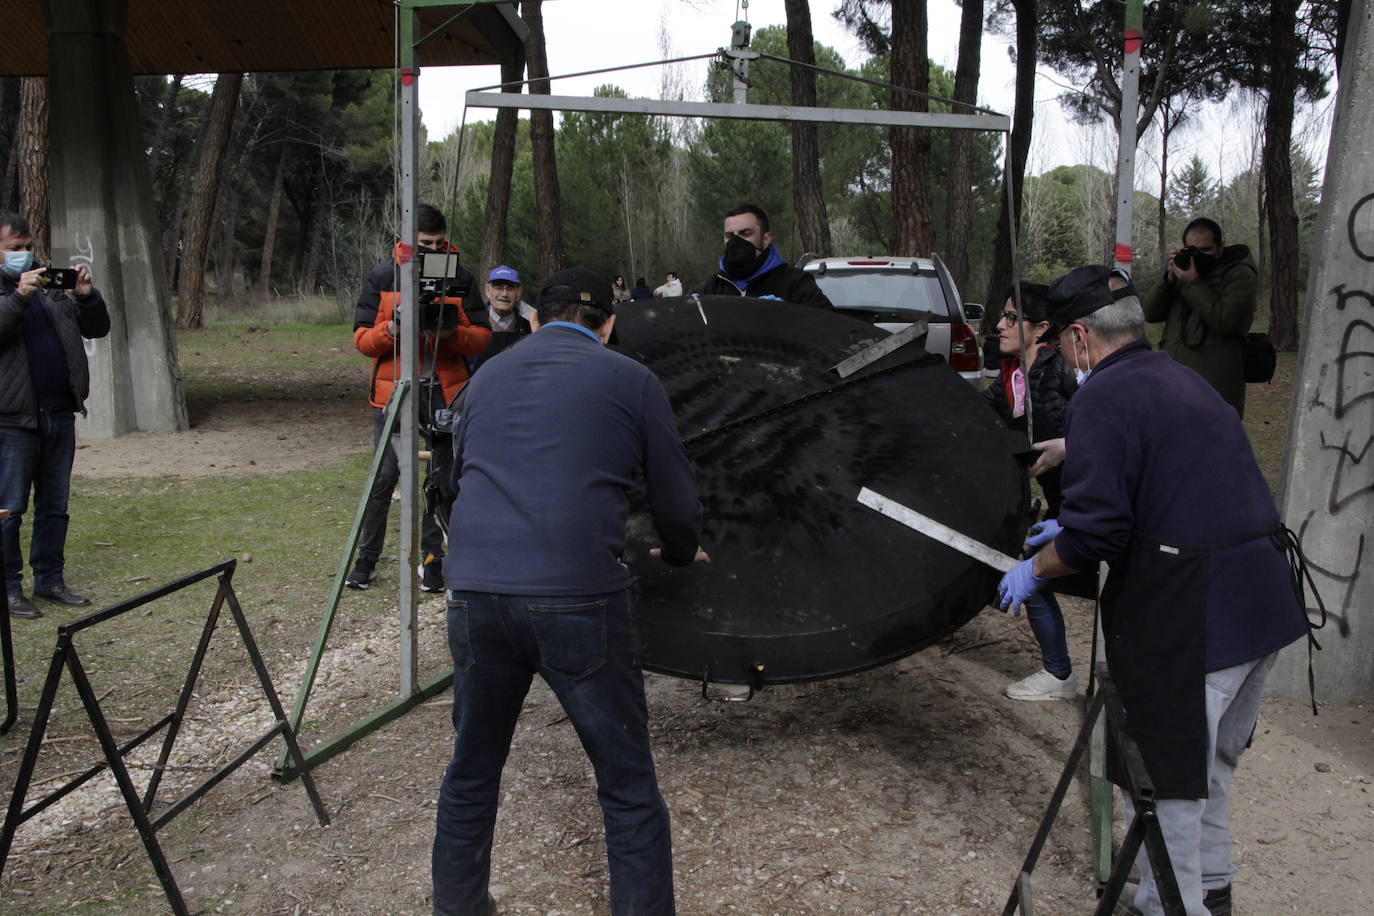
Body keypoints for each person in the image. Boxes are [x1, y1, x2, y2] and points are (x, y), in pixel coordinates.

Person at [996, 265, 1309, 916]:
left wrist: (1039, 565)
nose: (1061, 358)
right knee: (1210, 769)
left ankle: (1174, 905)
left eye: (1059, 346)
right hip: (1263, 604)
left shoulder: (1104, 396)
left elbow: (1094, 539)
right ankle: (1209, 888)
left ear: (1081, 337)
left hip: (1199, 617)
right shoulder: (1178, 377)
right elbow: (1176, 482)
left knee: (1171, 785)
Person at [432, 266, 706, 916]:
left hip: (474, 594)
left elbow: (452, 480)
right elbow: (676, 500)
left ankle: (457, 908)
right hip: (576, 598)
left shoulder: (486, 377)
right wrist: (674, 549)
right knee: (628, 787)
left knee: (470, 774)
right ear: (608, 325)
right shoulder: (632, 379)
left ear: (533, 318)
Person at [349, 204, 491, 593]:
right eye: (424, 245)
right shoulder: (382, 275)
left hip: (446, 393)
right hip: (393, 393)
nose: (432, 251)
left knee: (442, 480)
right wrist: (393, 328)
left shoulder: (460, 277)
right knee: (384, 478)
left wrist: (451, 334)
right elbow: (362, 339)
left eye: (439, 244)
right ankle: (365, 559)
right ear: (407, 242)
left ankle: (433, 562)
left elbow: (481, 334)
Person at [0, 212, 110, 619]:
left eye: (27, 247)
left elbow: (96, 329)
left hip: (59, 413)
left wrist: (86, 296)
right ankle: (10, 589)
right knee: (9, 508)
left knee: (55, 505)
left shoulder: (49, 285)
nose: (23, 255)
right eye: (13, 249)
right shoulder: (15, 291)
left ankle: (49, 580)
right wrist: (19, 296)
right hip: (12, 420)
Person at [981, 282, 1078, 701]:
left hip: (1093, 499)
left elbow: (1110, 428)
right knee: (1033, 572)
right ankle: (1059, 674)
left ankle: (1062, 676)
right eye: (1002, 315)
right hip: (1064, 500)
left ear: (1040, 330)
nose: (1000, 325)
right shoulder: (1015, 374)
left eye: (1012, 318)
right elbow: (985, 413)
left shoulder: (1063, 371)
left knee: (1037, 575)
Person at [1142, 217, 1257, 416]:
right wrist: (1168, 279)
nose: (1199, 257)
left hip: (1214, 387)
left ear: (1220, 247)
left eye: (1206, 250)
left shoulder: (1239, 275)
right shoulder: (1183, 274)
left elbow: (1224, 320)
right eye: (1192, 250)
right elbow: (1150, 313)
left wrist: (1193, 282)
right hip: (1173, 382)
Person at [694, 203, 832, 308]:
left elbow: (830, 326)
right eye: (729, 236)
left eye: (745, 234)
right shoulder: (712, 286)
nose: (736, 241)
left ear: (766, 239)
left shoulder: (795, 283)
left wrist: (789, 316)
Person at [467, 264, 532, 375]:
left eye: (510, 288)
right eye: (498, 288)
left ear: (518, 293)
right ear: (488, 290)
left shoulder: (528, 325)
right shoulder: (472, 322)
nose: (504, 294)